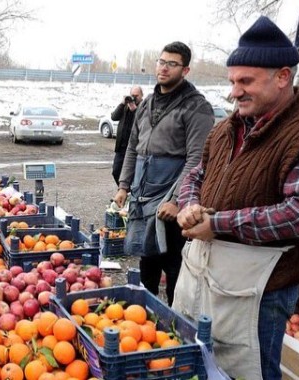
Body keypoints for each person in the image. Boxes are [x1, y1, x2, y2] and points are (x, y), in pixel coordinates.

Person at [173, 16, 299, 379]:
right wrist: (190, 204)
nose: (234, 91)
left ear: (283, 77)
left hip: (258, 291)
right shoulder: (227, 127)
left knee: (248, 370)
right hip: (202, 272)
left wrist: (217, 224)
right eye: (232, 81)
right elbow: (196, 173)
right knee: (193, 359)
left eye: (245, 81)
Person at [113, 41, 214, 306]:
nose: (164, 68)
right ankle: (144, 321)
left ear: (186, 70)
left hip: (171, 198)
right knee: (147, 261)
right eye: (161, 61)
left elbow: (197, 158)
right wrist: (124, 185)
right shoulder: (146, 104)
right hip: (143, 193)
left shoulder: (196, 107)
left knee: (174, 267)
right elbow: (133, 148)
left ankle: (175, 326)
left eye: (172, 64)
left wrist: (178, 200)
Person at [110, 86, 144, 185]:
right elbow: (114, 117)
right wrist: (122, 103)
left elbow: (143, 122)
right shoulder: (125, 106)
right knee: (116, 171)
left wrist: (135, 110)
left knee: (132, 174)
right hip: (121, 147)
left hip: (135, 148)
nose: (134, 98)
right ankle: (124, 191)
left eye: (136, 96)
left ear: (142, 95)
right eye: (132, 95)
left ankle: (128, 193)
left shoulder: (144, 106)